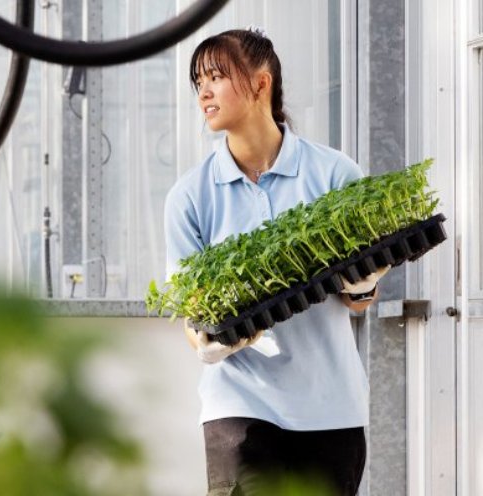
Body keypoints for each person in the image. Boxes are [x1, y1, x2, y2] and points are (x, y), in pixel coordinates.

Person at [163, 27, 389, 496]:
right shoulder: (191, 195)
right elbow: (191, 310)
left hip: (330, 409)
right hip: (238, 405)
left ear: (261, 82)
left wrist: (364, 284)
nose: (203, 91)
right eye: (198, 81)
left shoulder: (334, 173)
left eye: (216, 77)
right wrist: (206, 341)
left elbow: (359, 303)